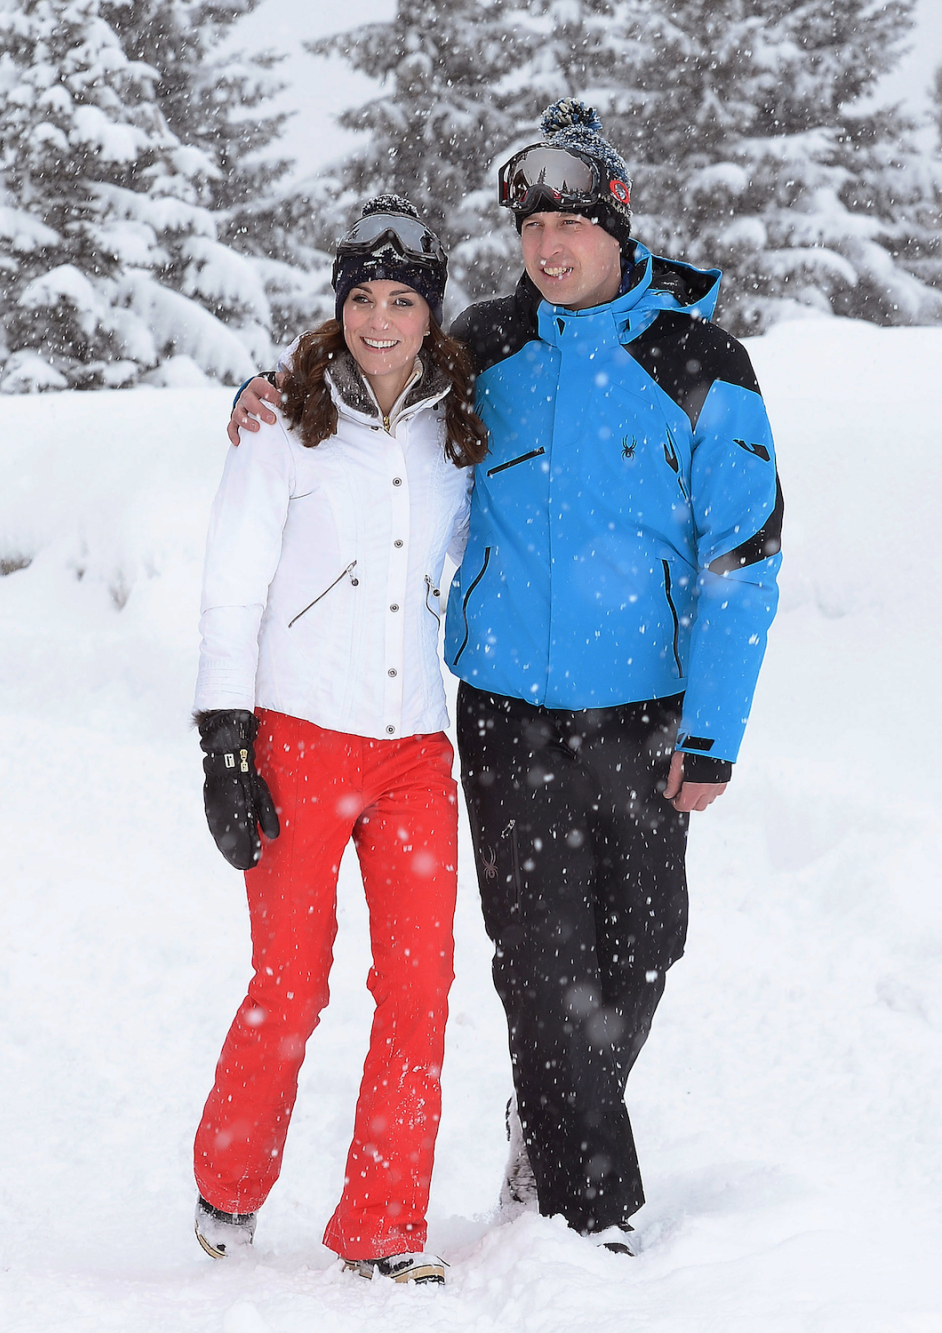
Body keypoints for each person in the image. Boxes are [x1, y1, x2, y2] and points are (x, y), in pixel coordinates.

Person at [229, 99, 782, 1255]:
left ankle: (555, 1115)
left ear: (617, 224)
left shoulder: (699, 362)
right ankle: (591, 1208)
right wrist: (259, 395)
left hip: (646, 714)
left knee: (642, 951)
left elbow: (746, 558)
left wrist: (717, 729)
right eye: (531, 224)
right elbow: (365, 379)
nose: (548, 247)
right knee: (542, 961)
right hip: (506, 717)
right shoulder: (483, 344)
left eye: (570, 223)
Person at [193, 195, 486, 1286]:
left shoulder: (463, 423)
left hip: (416, 748)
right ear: (337, 304)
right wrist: (226, 741)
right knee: (293, 983)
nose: (378, 318)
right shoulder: (283, 422)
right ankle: (228, 1175)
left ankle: (383, 1221)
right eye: (362, 295)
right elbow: (231, 589)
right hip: (299, 737)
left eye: (401, 299)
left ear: (430, 313)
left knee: (418, 989)